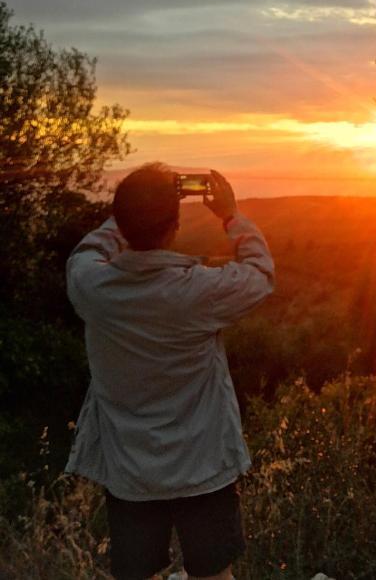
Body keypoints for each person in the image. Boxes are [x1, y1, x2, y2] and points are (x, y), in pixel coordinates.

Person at [65, 164, 274, 580]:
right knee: (214, 574)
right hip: (203, 464)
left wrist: (126, 213)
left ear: (122, 222)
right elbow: (260, 273)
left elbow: (85, 253)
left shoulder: (92, 288)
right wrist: (231, 216)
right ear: (175, 225)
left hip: (130, 469)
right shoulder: (198, 292)